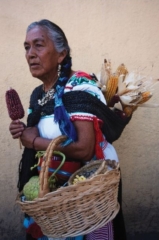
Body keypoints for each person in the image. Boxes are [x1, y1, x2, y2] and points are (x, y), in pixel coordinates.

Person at [9, 19, 131, 240]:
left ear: (61, 54)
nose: (30, 54)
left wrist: (34, 142)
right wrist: (25, 132)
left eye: (39, 45)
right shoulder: (38, 94)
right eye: (27, 47)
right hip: (53, 186)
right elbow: (41, 136)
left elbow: (84, 149)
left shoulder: (79, 85)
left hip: (88, 188)